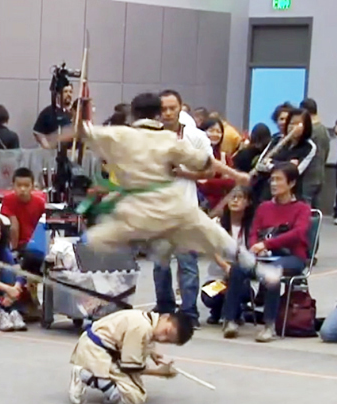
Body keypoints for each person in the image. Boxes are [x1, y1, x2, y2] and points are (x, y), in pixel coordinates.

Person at [63, 92, 282, 289]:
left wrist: (76, 117)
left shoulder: (120, 134)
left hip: (135, 210)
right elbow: (207, 162)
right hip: (172, 206)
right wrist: (236, 175)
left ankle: (67, 266)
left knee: (96, 238)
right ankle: (258, 268)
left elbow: (81, 132)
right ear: (158, 115)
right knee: (216, 236)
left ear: (133, 114)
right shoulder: (169, 139)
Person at [221, 163, 311, 343]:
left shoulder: (302, 208)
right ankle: (229, 320)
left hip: (292, 257)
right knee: (237, 268)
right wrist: (256, 246)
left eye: (278, 179)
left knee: (272, 272)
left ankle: (269, 325)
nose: (273, 184)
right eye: (272, 179)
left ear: (291, 183)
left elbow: (298, 234)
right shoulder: (264, 207)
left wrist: (267, 243)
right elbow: (254, 232)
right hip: (264, 256)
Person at [150, 90, 212, 329]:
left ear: (180, 108)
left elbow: (209, 171)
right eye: (163, 109)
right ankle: (164, 306)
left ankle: (189, 311)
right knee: (160, 265)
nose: (167, 113)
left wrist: (183, 172)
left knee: (187, 264)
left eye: (172, 108)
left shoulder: (196, 137)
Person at [67, 309, 193, 404]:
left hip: (97, 347)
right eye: (166, 332)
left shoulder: (148, 319)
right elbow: (130, 367)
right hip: (95, 351)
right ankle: (86, 375)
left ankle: (106, 384)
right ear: (165, 317)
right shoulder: (142, 327)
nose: (161, 339)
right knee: (134, 397)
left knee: (136, 389)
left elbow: (143, 340)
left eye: (167, 341)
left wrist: (152, 353)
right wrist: (159, 372)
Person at [201, 187, 254, 325]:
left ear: (248, 202)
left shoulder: (251, 227)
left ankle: (235, 312)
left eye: (239, 197)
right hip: (217, 278)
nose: (235, 200)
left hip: (240, 278)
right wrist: (225, 266)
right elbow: (212, 250)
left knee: (244, 292)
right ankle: (218, 311)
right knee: (209, 296)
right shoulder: (217, 224)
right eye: (232, 197)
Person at [255, 108, 316, 204]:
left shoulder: (309, 147)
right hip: (265, 191)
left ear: (306, 126)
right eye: (291, 123)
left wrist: (271, 163)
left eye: (298, 124)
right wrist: (286, 164)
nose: (293, 127)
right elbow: (260, 164)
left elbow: (295, 172)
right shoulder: (276, 140)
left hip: (289, 195)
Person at [0, 167, 46, 252]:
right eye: (19, 185)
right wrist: (14, 250)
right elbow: (14, 227)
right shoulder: (8, 200)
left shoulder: (40, 202)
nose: (22, 189)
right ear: (13, 186)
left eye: (26, 186)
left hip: (36, 243)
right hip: (17, 244)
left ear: (33, 186)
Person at [198, 118, 235, 214]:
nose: (215, 134)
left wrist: (208, 182)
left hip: (220, 208)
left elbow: (231, 183)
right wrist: (222, 182)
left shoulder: (225, 157)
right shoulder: (195, 155)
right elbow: (199, 185)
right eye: (211, 130)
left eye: (218, 131)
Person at [299, 98, 330, 209]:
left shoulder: (310, 131)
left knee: (305, 207)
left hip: (308, 175)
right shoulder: (324, 130)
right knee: (316, 209)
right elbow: (326, 152)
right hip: (320, 174)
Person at [33, 80, 73, 149]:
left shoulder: (74, 113)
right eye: (65, 91)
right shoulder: (48, 112)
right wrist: (47, 146)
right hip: (53, 152)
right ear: (58, 94)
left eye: (70, 92)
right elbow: (37, 132)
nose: (68, 94)